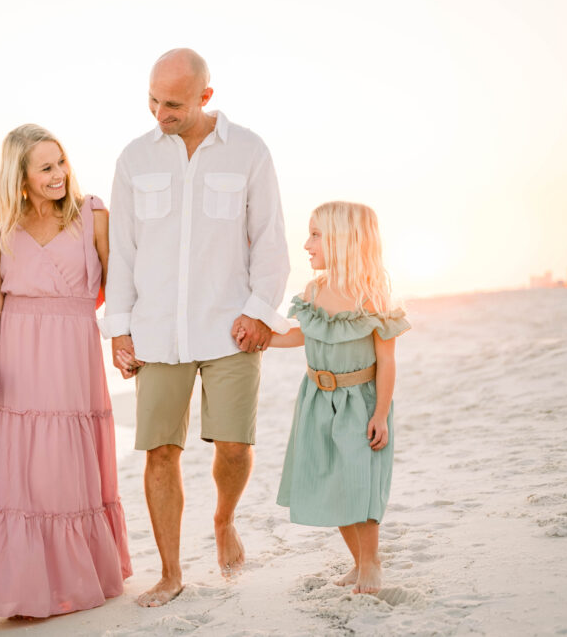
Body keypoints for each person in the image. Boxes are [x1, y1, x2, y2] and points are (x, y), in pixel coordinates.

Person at [104, 48, 291, 607]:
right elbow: (123, 253)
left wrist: (259, 311)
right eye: (154, 101)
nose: (161, 113)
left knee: (233, 446)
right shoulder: (134, 159)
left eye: (175, 104)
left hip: (231, 327)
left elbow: (272, 239)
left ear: (206, 97)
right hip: (156, 330)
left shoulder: (249, 150)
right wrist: (119, 327)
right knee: (161, 451)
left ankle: (224, 518)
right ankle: (169, 571)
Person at [0, 124, 132, 618]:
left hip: (72, 358)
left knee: (61, 467)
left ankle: (72, 581)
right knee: (20, 474)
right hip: (16, 359)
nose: (59, 174)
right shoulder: (3, 226)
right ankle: (23, 583)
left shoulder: (93, 215)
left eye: (61, 162)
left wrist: (125, 341)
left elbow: (119, 287)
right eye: (46, 167)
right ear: (22, 176)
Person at [245, 201, 409, 595]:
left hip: (360, 404)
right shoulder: (314, 290)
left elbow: (387, 361)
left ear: (343, 240)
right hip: (317, 400)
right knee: (333, 484)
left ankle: (371, 564)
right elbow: (305, 334)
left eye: (316, 235)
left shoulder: (371, 297)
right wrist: (263, 339)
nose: (307, 244)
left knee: (358, 483)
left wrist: (381, 413)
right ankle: (358, 562)